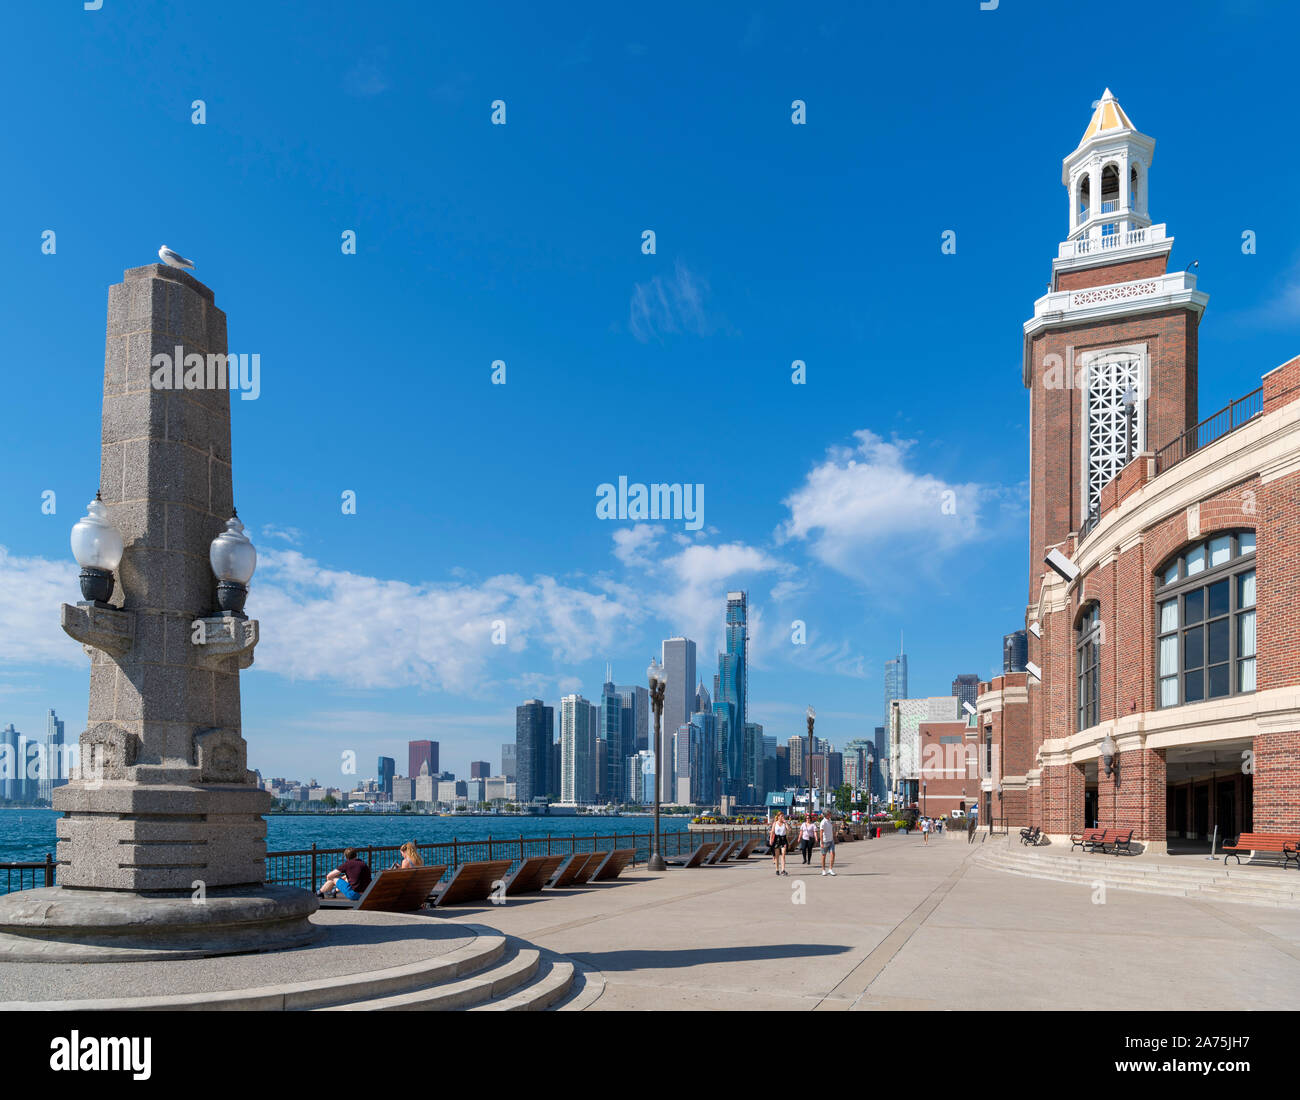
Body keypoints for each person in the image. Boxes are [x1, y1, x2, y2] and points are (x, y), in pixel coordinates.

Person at [769, 811, 789, 876]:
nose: (782, 817)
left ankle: (783, 870)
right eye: (781, 816)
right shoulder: (775, 823)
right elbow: (772, 832)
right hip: (777, 839)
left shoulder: (784, 823)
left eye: (783, 816)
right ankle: (777, 869)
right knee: (777, 855)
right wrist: (770, 840)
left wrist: (786, 823)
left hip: (783, 839)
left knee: (783, 855)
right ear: (778, 817)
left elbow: (789, 829)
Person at [819, 809, 836, 876]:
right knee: (824, 855)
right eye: (829, 814)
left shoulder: (830, 820)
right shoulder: (823, 822)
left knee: (833, 854)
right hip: (825, 841)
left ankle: (830, 869)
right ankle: (823, 870)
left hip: (831, 840)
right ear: (826, 815)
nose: (830, 814)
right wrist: (822, 842)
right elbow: (821, 833)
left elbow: (831, 829)